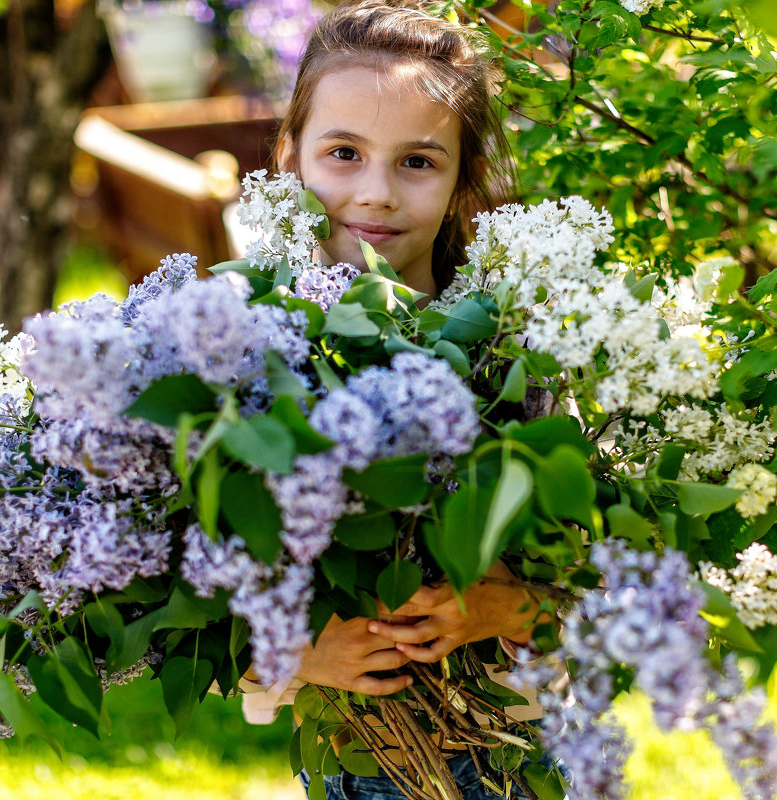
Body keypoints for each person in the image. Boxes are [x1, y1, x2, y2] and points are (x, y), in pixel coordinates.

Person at [237, 2, 558, 799]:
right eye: (344, 153)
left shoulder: (516, 351)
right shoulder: (241, 354)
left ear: (459, 184)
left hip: (516, 758)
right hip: (352, 764)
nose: (375, 193)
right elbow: (186, 589)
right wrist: (301, 650)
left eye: (418, 162)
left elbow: (601, 588)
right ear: (290, 159)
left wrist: (499, 608)